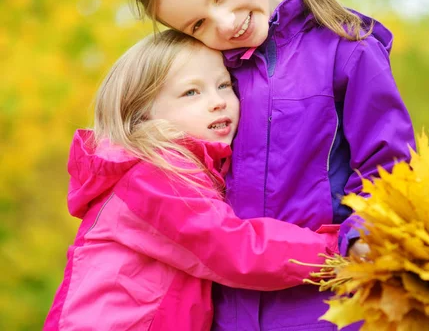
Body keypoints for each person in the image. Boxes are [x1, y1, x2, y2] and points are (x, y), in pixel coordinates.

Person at [131, 0, 416, 329]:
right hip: (228, 313)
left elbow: (389, 166)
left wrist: (362, 236)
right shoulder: (210, 76)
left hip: (328, 304)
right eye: (198, 24)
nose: (226, 23)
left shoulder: (346, 47)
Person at [44, 30, 340, 331]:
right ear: (142, 113)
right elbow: (233, 247)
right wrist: (337, 248)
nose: (218, 101)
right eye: (191, 92)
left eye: (224, 85)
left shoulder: (187, 170)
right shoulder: (150, 177)